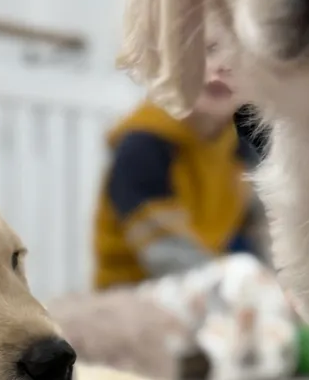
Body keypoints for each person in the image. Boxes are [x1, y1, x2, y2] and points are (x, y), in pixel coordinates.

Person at [94, 44, 266, 290]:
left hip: (209, 288)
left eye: (238, 56)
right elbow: (166, 253)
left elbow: (265, 238)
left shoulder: (239, 155)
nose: (223, 66)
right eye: (206, 50)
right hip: (133, 298)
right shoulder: (143, 145)